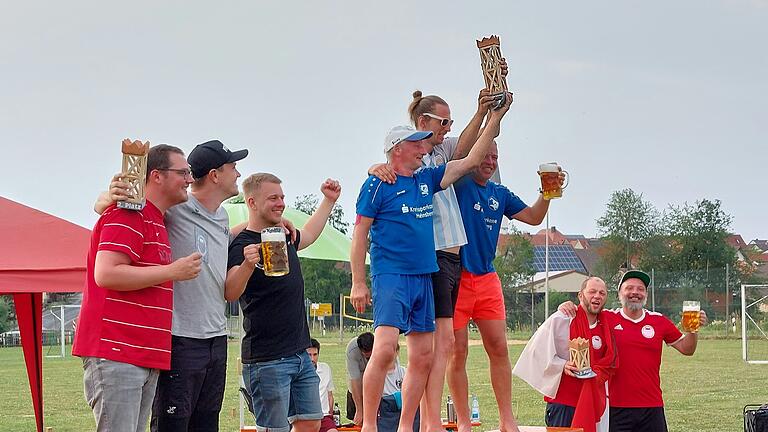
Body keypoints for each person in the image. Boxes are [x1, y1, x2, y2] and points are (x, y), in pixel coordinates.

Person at [349, 92, 512, 432]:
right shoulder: (377, 183)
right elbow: (360, 232)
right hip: (393, 275)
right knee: (386, 349)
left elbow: (467, 161)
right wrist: (358, 281)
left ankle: (409, 425)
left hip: (426, 274)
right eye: (417, 143)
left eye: (424, 143)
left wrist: (494, 118)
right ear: (399, 149)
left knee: (424, 354)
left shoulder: (426, 179)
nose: (423, 147)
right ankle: (368, 425)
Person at [73, 144, 203, 432]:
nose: (190, 180)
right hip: (117, 351)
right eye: (183, 172)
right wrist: (173, 271)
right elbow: (106, 273)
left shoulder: (155, 217)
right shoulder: (129, 214)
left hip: (138, 353)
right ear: (156, 176)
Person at [446, 141, 563, 432]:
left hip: (487, 279)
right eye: (485, 155)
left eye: (495, 157)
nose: (490, 161)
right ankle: (463, 421)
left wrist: (547, 192)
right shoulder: (458, 184)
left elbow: (534, 218)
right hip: (458, 277)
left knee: (498, 348)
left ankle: (506, 419)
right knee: (457, 351)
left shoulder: (500, 193)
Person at [226, 173, 341, 432]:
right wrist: (247, 263)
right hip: (267, 358)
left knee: (311, 421)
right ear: (252, 203)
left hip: (300, 351)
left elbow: (309, 234)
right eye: (273, 198)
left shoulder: (283, 234)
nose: (280, 203)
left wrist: (328, 201)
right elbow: (230, 292)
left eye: (282, 197)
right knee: (273, 428)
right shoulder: (241, 244)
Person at [559, 270, 708, 432]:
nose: (635, 292)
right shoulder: (606, 318)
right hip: (616, 408)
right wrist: (567, 306)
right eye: (629, 288)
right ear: (619, 293)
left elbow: (687, 349)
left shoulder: (658, 321)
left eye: (640, 289)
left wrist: (693, 331)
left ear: (646, 294)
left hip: (652, 406)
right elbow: (584, 311)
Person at [513, 277, 618, 432]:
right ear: (580, 295)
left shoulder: (607, 323)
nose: (597, 296)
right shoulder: (563, 318)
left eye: (602, 293)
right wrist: (562, 365)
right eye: (592, 291)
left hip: (595, 401)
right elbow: (536, 350)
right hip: (564, 403)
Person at [308, 339, 338, 432]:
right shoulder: (297, 372)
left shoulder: (325, 368)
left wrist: (331, 414)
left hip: (324, 416)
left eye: (315, 355)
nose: (312, 359)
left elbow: (330, 395)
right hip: (305, 417)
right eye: (309, 355)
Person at [346, 332, 374, 424]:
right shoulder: (352, 350)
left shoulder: (381, 345)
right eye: (363, 351)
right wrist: (359, 410)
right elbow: (355, 380)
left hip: (376, 381)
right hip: (359, 381)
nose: (365, 354)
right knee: (358, 418)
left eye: (368, 352)